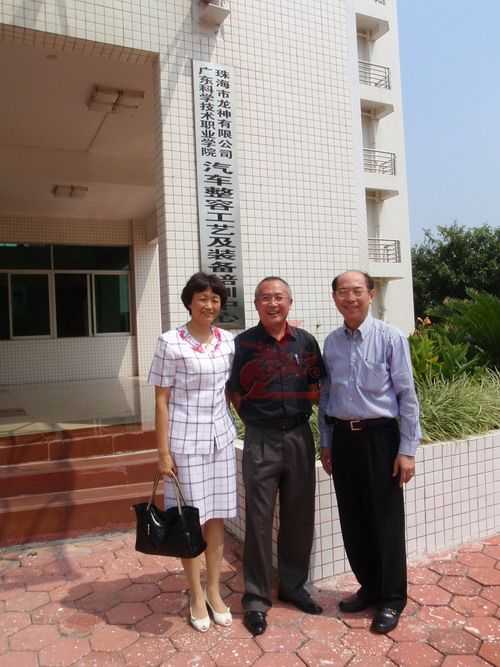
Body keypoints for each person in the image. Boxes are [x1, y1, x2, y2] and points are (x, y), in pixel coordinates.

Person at [319, 270, 421, 634]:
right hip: (344, 439)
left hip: (381, 438)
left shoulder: (390, 337)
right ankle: (369, 586)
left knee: (385, 520)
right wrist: (326, 442)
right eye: (343, 292)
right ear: (334, 298)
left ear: (370, 294)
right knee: (353, 516)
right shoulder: (331, 343)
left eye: (357, 291)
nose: (350, 298)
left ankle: (392, 598)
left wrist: (407, 449)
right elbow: (326, 396)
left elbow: (407, 396)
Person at [228, 276, 325, 636]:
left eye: (279, 297)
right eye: (266, 298)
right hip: (261, 439)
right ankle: (255, 598)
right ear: (256, 305)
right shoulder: (243, 344)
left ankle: (293, 585)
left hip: (299, 436)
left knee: (299, 514)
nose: (273, 303)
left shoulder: (306, 342)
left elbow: (316, 386)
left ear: (290, 302)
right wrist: (255, 419)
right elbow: (234, 391)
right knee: (258, 517)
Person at [148, 272, 236, 633]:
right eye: (202, 298)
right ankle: (196, 593)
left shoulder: (227, 341)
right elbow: (161, 400)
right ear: (189, 302)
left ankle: (214, 590)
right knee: (189, 520)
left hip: (221, 440)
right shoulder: (170, 342)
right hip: (184, 444)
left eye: (215, 299)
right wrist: (163, 453)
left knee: (216, 519)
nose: (209, 305)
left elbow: (228, 391)